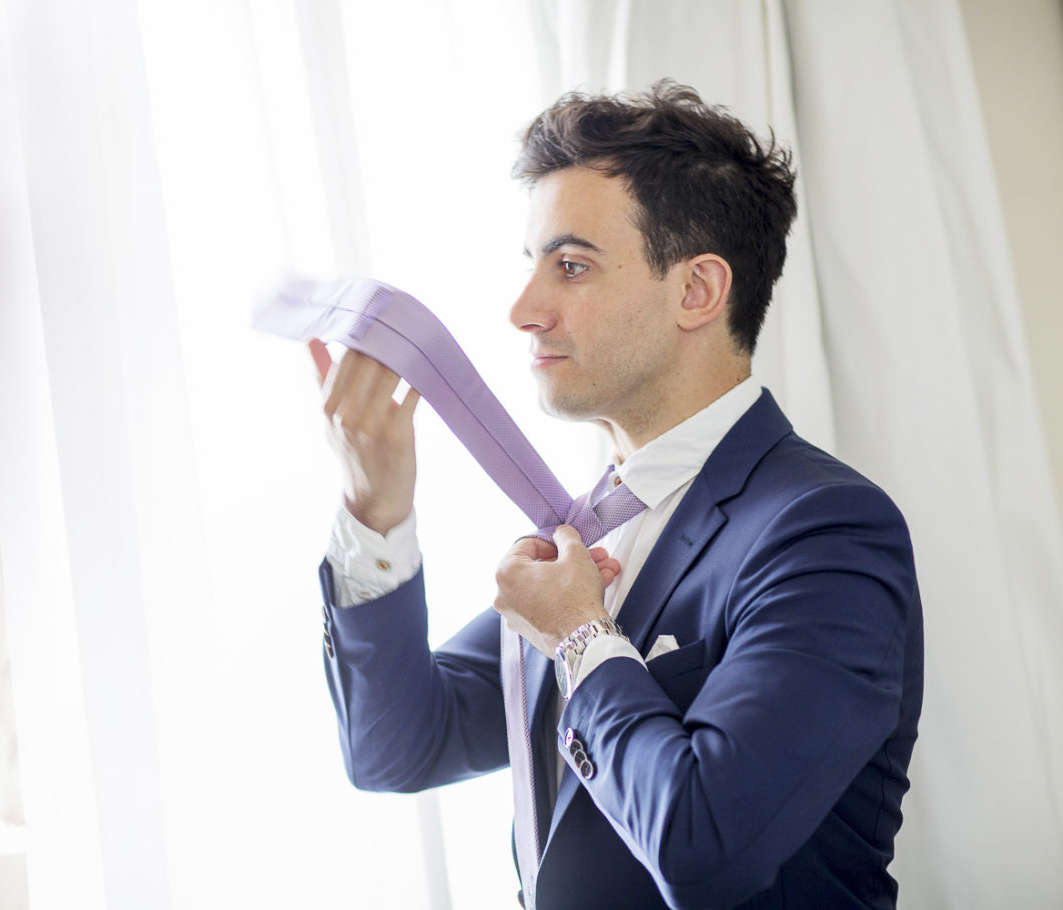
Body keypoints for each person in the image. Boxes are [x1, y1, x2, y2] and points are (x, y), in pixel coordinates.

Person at [305, 80, 923, 910]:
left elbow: (702, 847)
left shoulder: (825, 531)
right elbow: (398, 749)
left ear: (696, 291)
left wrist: (581, 636)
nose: (522, 309)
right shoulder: (590, 527)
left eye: (570, 266)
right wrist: (374, 515)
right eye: (530, 266)